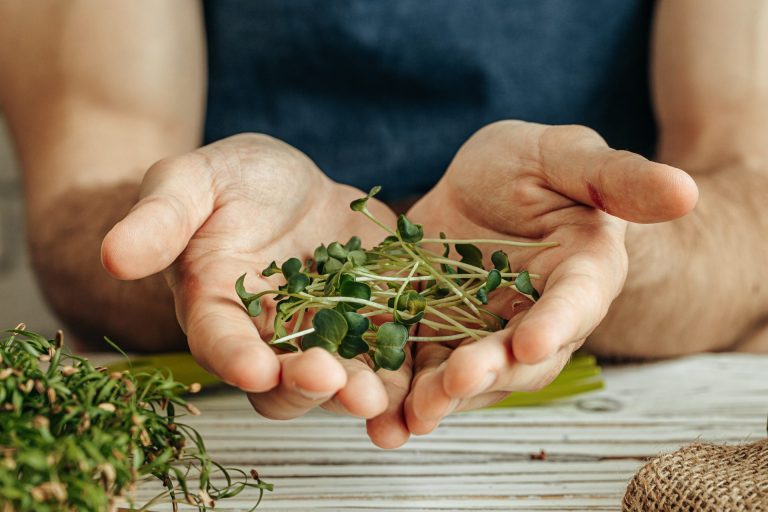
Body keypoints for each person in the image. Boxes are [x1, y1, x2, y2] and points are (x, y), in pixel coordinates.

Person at [0, 0, 765, 449]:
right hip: (235, 413)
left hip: (622, 407)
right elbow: (81, 199)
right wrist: (196, 237)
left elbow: (750, 195)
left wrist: (608, 245)